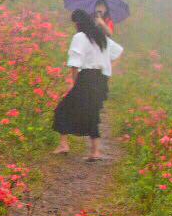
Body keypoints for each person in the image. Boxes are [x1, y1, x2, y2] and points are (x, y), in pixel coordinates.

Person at [52, 9, 123, 160]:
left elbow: (75, 62)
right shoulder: (100, 37)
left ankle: (64, 144)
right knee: (92, 113)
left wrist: (75, 83)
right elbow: (118, 52)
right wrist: (107, 68)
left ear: (78, 23)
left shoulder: (80, 37)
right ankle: (95, 152)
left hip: (86, 79)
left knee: (62, 109)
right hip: (101, 80)